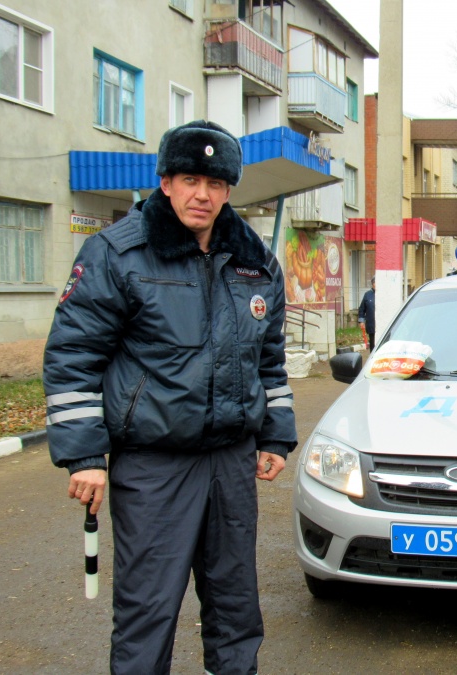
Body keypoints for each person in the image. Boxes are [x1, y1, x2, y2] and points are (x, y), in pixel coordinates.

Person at [43, 120, 296, 675]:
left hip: (230, 462)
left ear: (230, 189)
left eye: (215, 183)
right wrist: (85, 455)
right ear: (165, 182)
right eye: (188, 179)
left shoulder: (256, 261)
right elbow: (73, 354)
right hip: (153, 465)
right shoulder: (118, 253)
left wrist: (275, 433)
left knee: (235, 609)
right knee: (147, 611)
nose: (201, 194)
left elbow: (269, 358)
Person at [358, 275, 376, 351]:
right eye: (375, 282)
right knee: (372, 343)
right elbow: (362, 309)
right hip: (371, 324)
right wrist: (361, 321)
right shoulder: (367, 295)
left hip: (381, 324)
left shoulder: (383, 294)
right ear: (372, 283)